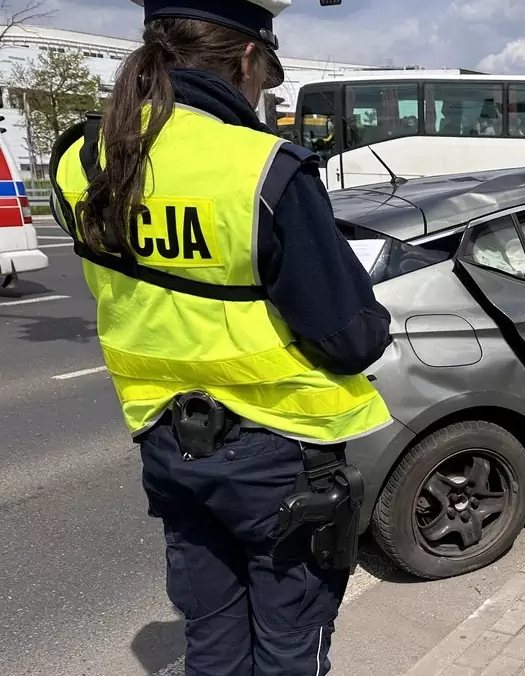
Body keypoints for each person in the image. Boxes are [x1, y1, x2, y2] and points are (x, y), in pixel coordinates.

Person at [46, 1, 393, 674]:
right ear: (245, 60)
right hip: (280, 454)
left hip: (167, 441)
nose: (265, 89)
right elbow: (352, 338)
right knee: (290, 646)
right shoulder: (265, 168)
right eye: (268, 72)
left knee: (210, 639)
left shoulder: (80, 157)